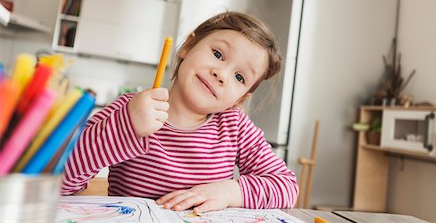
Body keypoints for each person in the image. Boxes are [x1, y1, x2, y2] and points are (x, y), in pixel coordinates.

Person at [61, 11, 299, 213]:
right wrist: (126, 126)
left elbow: (287, 187)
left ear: (240, 99)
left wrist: (231, 191)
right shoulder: (129, 108)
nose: (222, 74)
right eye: (217, 54)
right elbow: (61, 181)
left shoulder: (235, 126)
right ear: (187, 46)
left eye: (239, 77)